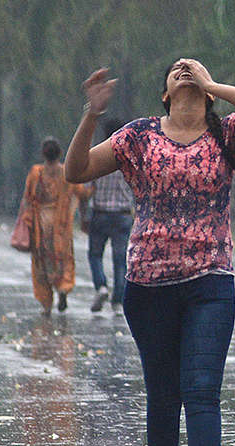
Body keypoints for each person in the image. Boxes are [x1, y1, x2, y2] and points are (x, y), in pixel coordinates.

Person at [64, 59, 235, 446]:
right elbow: (75, 170)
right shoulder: (138, 136)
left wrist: (212, 81)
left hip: (210, 280)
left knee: (202, 390)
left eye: (192, 68)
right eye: (176, 70)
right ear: (164, 93)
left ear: (208, 92)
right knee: (163, 395)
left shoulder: (227, 134)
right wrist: (91, 114)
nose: (183, 69)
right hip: (148, 284)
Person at [19, 137, 90, 316]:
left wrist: (26, 222)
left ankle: (46, 304)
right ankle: (63, 288)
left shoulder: (36, 173)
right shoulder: (67, 172)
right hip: (62, 228)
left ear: (43, 153)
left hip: (40, 226)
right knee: (63, 260)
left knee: (41, 265)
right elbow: (82, 193)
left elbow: (28, 199)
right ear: (60, 153)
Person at [83, 118, 133, 314]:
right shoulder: (129, 158)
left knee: (95, 254)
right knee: (120, 259)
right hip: (122, 215)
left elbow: (88, 188)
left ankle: (101, 286)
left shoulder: (97, 156)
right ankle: (117, 302)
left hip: (100, 213)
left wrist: (85, 214)